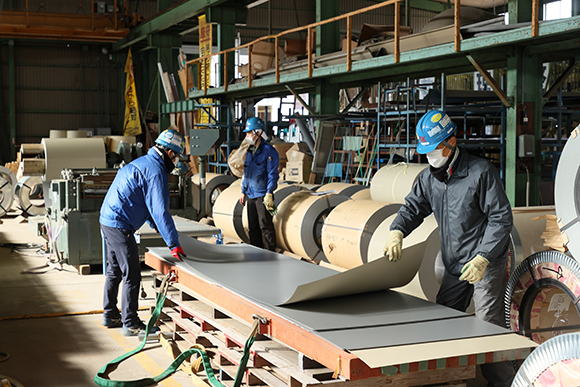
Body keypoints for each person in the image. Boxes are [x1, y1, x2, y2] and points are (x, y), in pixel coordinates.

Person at [384, 110, 514, 387]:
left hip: (484, 263)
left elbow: (501, 218)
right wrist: (396, 231)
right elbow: (413, 207)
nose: (430, 157)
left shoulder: (480, 172)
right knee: (445, 318)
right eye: (426, 152)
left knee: (488, 325)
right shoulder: (430, 178)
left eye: (434, 150)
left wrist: (483, 257)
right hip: (455, 264)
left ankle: (502, 382)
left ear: (452, 142)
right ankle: (449, 378)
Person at [99, 129, 187, 336]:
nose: (175, 161)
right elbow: (159, 209)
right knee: (132, 274)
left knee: (115, 270)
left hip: (108, 220)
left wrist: (156, 225)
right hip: (120, 225)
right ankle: (130, 323)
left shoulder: (143, 163)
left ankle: (110, 314)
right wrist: (173, 243)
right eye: (175, 156)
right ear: (167, 152)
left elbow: (143, 203)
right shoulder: (156, 170)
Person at [239, 117, 279, 251]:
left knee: (265, 226)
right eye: (247, 133)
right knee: (253, 227)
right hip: (250, 194)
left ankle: (270, 254)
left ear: (258, 133)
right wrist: (243, 191)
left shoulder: (269, 150)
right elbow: (246, 172)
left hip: (262, 194)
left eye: (249, 133)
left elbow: (273, 174)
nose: (247, 136)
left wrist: (269, 193)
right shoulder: (250, 151)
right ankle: (257, 254)